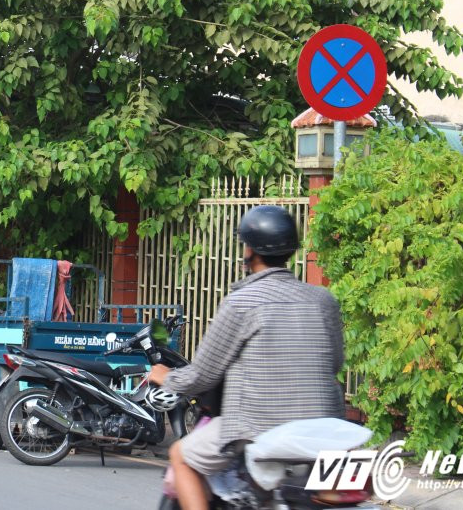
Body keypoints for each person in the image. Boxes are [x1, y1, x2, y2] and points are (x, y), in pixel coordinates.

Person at [148, 206, 345, 510]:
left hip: (260, 429)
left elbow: (204, 374)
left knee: (181, 457)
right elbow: (334, 363)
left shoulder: (243, 301)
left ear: (250, 249)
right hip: (324, 428)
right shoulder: (322, 299)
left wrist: (168, 378)